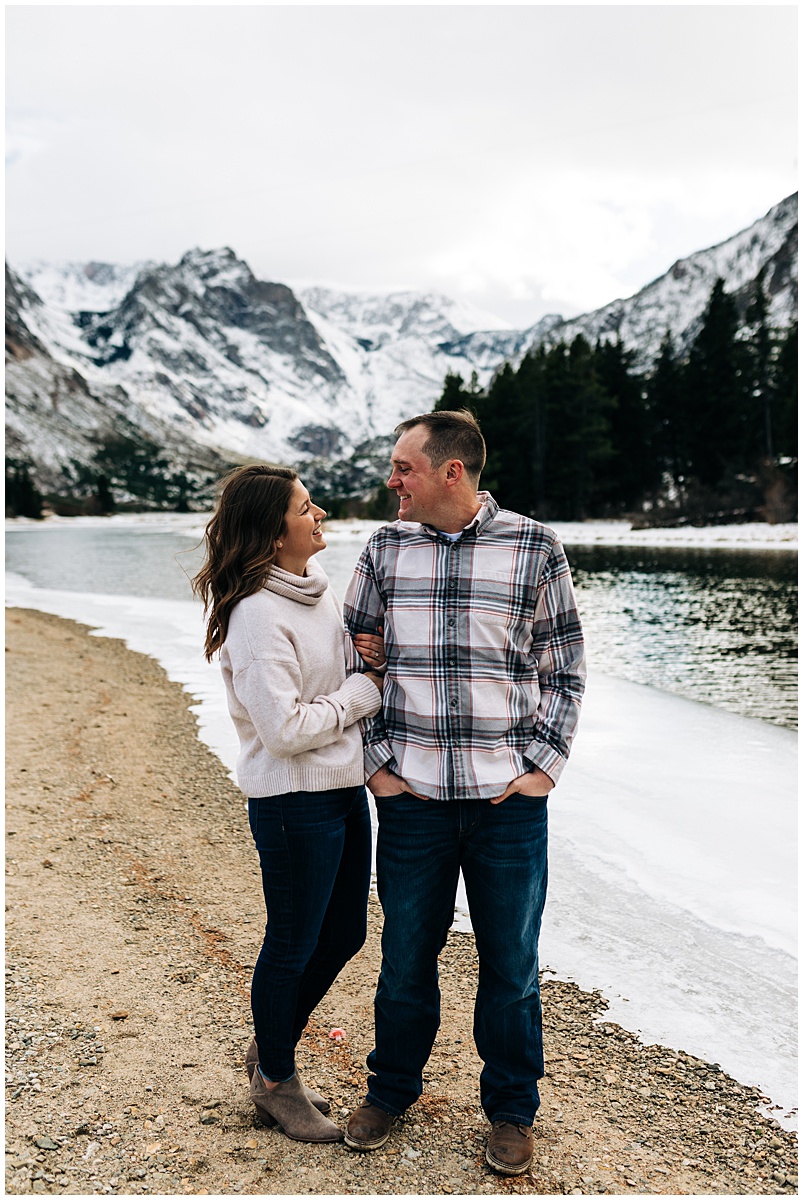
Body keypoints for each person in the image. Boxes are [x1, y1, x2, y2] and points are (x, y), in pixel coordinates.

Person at [341, 409, 586, 1174]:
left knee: (510, 962)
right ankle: (390, 1090)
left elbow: (565, 669)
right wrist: (377, 763)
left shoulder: (534, 546)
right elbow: (349, 658)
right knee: (405, 954)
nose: (392, 482)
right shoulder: (384, 548)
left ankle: (512, 1110)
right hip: (410, 797)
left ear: (453, 472)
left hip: (505, 804)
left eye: (403, 468)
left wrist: (540, 768)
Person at [193, 463, 386, 1144]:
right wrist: (365, 693)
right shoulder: (254, 616)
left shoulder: (312, 594)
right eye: (306, 508)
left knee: (345, 934)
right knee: (293, 941)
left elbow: (327, 686)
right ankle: (276, 1078)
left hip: (338, 791)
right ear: (274, 536)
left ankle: (268, 1048)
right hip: (291, 801)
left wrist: (361, 658)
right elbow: (283, 728)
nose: (321, 515)